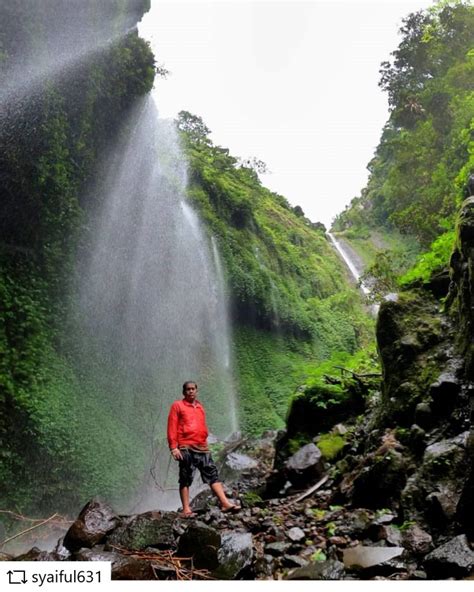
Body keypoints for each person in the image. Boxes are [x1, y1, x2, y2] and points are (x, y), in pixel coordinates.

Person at [167, 381, 241, 517]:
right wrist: (173, 448)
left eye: (193, 389)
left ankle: (225, 503)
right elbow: (171, 427)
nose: (191, 391)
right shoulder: (177, 406)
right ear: (184, 392)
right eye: (188, 389)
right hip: (185, 447)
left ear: (196, 391)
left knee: (212, 474)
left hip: (202, 447)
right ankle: (186, 509)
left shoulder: (200, 407)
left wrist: (205, 435)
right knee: (185, 477)